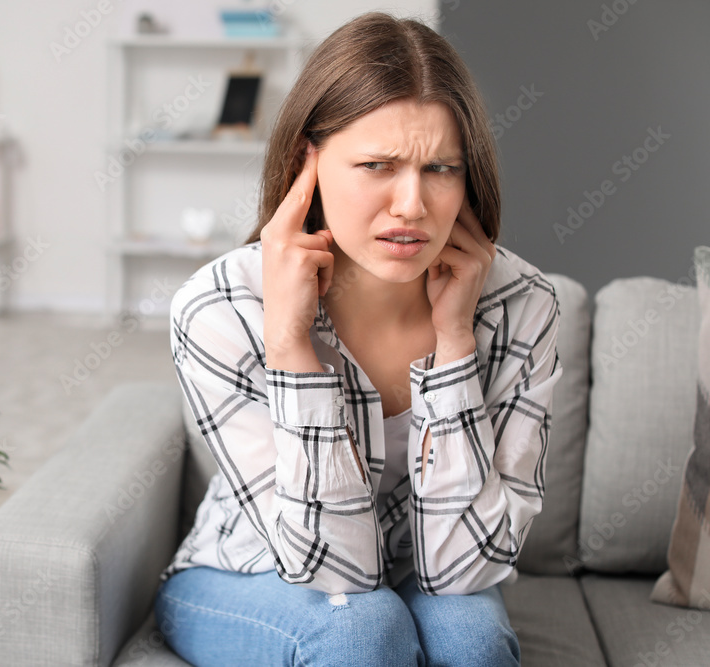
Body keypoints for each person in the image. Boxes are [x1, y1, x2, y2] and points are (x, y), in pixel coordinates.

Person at [154, 11, 563, 667]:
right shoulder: (220, 308)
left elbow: (465, 567)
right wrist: (291, 349)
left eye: (440, 168)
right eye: (377, 165)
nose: (411, 205)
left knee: (473, 641)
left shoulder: (521, 304)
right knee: (361, 632)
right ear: (304, 165)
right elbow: (329, 566)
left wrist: (455, 341)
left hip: (418, 569)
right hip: (249, 570)